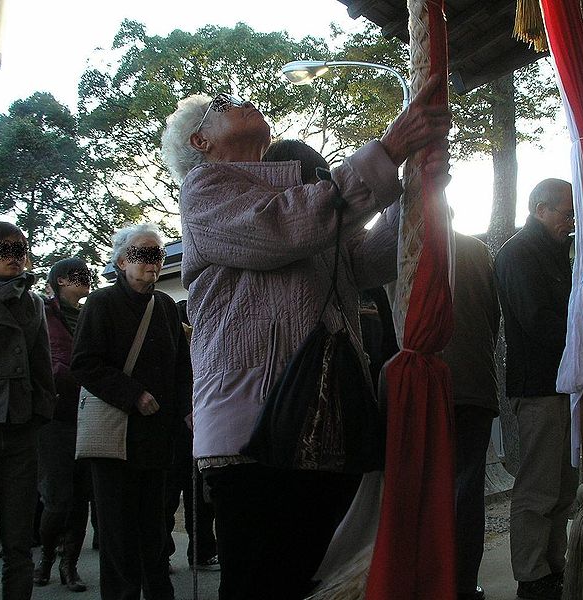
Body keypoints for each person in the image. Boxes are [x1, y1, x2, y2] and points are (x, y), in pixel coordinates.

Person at [159, 75, 451, 600]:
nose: (244, 98)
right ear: (200, 143)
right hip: (251, 427)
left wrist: (416, 198)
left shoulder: (304, 199)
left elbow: (367, 261)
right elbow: (281, 228)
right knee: (260, 580)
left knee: (305, 577)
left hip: (327, 414)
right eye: (223, 104)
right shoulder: (204, 192)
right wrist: (387, 152)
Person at [71, 223, 192, 600]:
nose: (152, 262)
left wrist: (188, 411)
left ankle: (160, 593)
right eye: (142, 253)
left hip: (157, 438)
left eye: (157, 254)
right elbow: (85, 363)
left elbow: (181, 369)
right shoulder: (101, 303)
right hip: (116, 436)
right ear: (122, 260)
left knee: (155, 528)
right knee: (118, 532)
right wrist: (134, 394)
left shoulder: (168, 308)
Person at [494, 179, 579, 600]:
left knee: (564, 487)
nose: (570, 221)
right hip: (538, 387)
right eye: (565, 213)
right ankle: (531, 574)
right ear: (539, 209)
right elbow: (537, 320)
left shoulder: (557, 254)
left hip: (565, 383)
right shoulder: (517, 253)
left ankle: (553, 564)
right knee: (539, 488)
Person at [0, 222, 55, 600]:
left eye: (21, 249)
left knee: (19, 541)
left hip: (20, 427)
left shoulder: (33, 302)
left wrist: (40, 413)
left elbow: (41, 361)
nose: (16, 257)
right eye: (5, 250)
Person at [441, 231, 500, 600]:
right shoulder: (477, 251)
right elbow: (492, 320)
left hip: (424, 384)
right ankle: (462, 584)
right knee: (467, 487)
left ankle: (429, 580)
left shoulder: (403, 244)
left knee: (425, 486)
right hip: (475, 383)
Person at [34, 257, 93, 592]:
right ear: (58, 281)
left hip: (88, 416)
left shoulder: (90, 315)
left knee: (82, 496)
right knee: (57, 498)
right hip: (54, 416)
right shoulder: (42, 312)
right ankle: (45, 556)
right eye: (76, 275)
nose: (85, 279)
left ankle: (69, 566)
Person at [164, 299, 218, 572]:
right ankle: (173, 551)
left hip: (196, 426)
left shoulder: (207, 341)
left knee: (197, 496)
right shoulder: (178, 343)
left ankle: (200, 550)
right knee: (175, 493)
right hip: (181, 426)